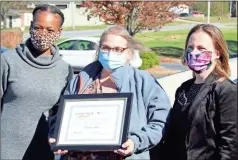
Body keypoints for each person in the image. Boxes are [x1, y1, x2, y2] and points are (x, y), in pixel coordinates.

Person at [48, 25, 171, 160]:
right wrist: (57, 136)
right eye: (106, 48)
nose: (110, 53)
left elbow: (161, 121)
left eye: (118, 49)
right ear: (99, 49)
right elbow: (59, 115)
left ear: (129, 52)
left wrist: (136, 141)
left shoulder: (143, 81)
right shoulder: (80, 80)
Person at [1, 4, 73, 160]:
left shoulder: (64, 70)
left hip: (44, 151)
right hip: (6, 151)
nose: (42, 34)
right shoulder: (8, 60)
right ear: (30, 27)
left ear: (59, 32)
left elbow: (61, 114)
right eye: (38, 28)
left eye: (50, 30)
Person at [158, 24, 237, 160]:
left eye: (201, 48)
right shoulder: (183, 89)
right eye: (190, 48)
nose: (194, 52)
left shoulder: (226, 91)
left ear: (217, 53)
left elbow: (230, 146)